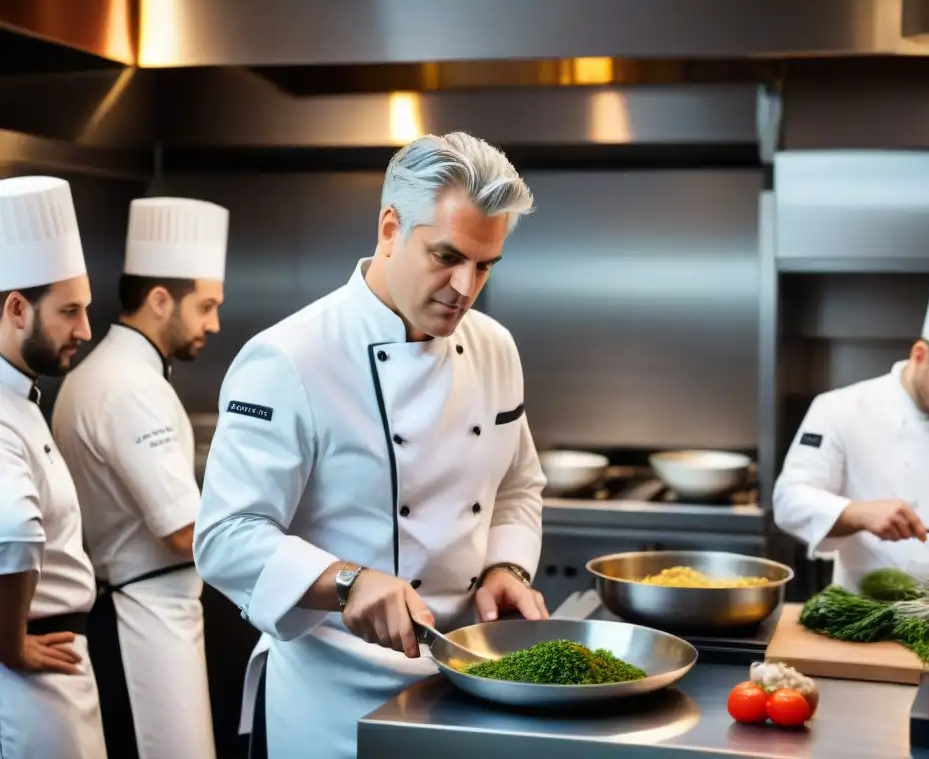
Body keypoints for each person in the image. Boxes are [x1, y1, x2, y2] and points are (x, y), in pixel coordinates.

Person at [194, 132, 548, 759]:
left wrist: (505, 568)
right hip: (335, 702)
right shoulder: (291, 357)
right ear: (390, 227)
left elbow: (518, 484)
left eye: (486, 264)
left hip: (466, 684)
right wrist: (346, 582)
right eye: (447, 255)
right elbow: (226, 535)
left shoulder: (496, 347)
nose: (466, 286)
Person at [50, 197, 229, 759]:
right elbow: (181, 530)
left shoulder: (109, 372)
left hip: (148, 608)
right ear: (159, 300)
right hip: (143, 620)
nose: (214, 324)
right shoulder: (131, 385)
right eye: (205, 306)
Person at [774, 277, 929, 591]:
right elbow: (789, 500)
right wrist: (858, 513)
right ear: (920, 355)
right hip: (862, 611)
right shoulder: (840, 408)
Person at [0, 175, 107, 758]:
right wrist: (11, 643)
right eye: (70, 311)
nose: (86, 330)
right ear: (17, 308)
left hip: (52, 659)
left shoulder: (23, 400)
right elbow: (14, 530)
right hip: (33, 667)